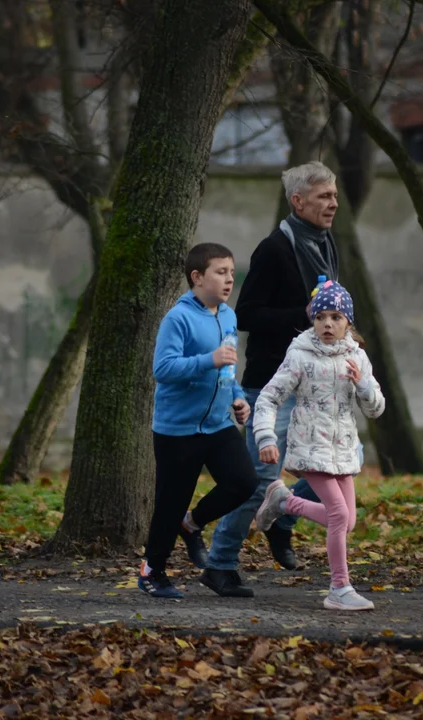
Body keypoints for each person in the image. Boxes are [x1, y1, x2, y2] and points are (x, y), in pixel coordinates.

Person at [202, 160, 362, 598]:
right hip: (274, 381)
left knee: (340, 460)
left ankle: (286, 514)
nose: (333, 203)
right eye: (324, 196)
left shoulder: (325, 242)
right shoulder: (275, 248)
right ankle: (219, 564)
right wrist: (308, 317)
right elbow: (248, 314)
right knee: (259, 479)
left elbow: (332, 307)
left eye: (334, 195)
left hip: (321, 382)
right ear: (298, 201)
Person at [136, 242, 260, 599]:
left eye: (232, 274)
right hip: (178, 429)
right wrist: (209, 360)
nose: (229, 280)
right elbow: (162, 369)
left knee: (243, 481)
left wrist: (237, 397)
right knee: (169, 503)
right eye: (221, 272)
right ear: (197, 277)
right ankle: (152, 572)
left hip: (219, 424)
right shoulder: (178, 318)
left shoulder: (228, 315)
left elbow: (229, 367)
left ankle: (191, 525)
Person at [253, 281, 384, 611]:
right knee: (339, 515)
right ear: (312, 319)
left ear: (348, 323)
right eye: (321, 317)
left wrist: (364, 384)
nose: (327, 324)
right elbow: (269, 398)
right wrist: (266, 437)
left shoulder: (357, 358)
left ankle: (284, 501)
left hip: (343, 452)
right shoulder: (299, 355)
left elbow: (376, 409)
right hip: (309, 448)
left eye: (336, 317)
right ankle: (339, 588)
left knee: (347, 521)